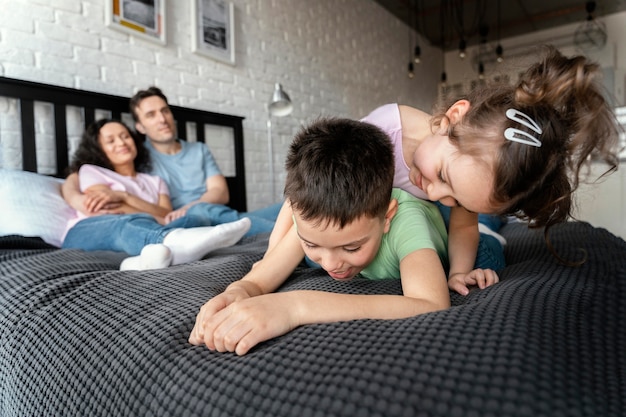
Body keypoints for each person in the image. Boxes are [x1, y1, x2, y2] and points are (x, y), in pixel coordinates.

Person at [262, 46, 621, 296]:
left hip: (430, 227)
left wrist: (458, 274)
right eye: (444, 178)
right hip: (377, 215)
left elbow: (462, 225)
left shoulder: (460, 192)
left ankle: (492, 229)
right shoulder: (384, 131)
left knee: (483, 242)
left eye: (456, 197)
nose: (434, 193)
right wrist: (269, 259)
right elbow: (306, 192)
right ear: (452, 118)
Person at [189, 117, 452, 356]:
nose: (329, 264)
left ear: (387, 218)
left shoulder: (405, 222)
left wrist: (295, 307)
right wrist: (237, 291)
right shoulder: (314, 222)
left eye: (351, 247)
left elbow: (431, 303)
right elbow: (258, 282)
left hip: (436, 218)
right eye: (312, 245)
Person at [62, 87, 280, 237]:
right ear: (139, 127)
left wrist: (188, 208)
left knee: (286, 207)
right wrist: (76, 199)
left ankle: (291, 230)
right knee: (207, 212)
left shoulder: (199, 149)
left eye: (164, 111)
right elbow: (78, 173)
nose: (161, 118)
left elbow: (220, 193)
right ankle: (290, 239)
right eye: (151, 115)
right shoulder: (135, 154)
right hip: (178, 222)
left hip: (213, 213)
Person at [61, 119, 251, 270]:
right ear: (98, 149)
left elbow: (167, 215)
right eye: (111, 141)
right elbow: (109, 209)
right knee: (127, 223)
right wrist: (150, 213)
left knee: (192, 219)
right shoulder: (92, 171)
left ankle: (136, 264)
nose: (121, 143)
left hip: (137, 238)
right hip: (90, 231)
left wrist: (125, 197)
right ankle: (177, 241)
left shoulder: (155, 181)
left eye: (125, 136)